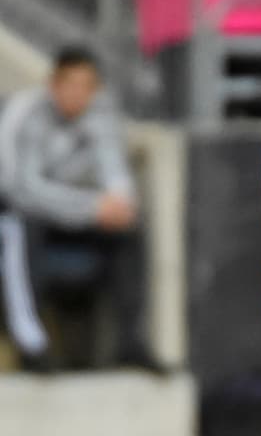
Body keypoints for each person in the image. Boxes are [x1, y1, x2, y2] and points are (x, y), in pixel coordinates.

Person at [0, 47, 154, 371]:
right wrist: (91, 208)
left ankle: (130, 343)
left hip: (70, 218)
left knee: (129, 230)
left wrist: (119, 204)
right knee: (19, 226)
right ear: (53, 84)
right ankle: (31, 345)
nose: (77, 94)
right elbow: (19, 189)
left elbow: (116, 175)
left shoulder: (102, 116)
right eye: (71, 84)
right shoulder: (23, 113)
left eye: (87, 86)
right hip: (20, 216)